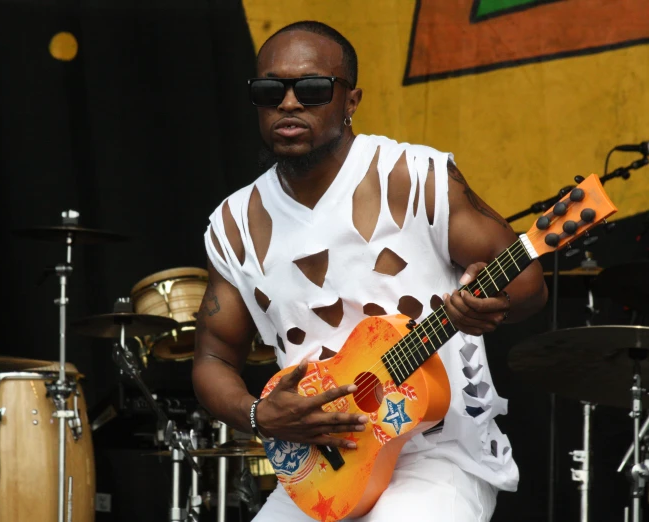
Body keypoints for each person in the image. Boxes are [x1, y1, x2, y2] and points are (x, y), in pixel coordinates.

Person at [192, 20, 547, 522]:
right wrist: (258, 414)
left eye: (312, 88)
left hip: (436, 456)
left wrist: (490, 307)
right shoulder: (234, 226)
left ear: (351, 101)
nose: (289, 103)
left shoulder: (414, 178)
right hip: (325, 466)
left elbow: (528, 283)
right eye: (270, 90)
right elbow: (212, 357)